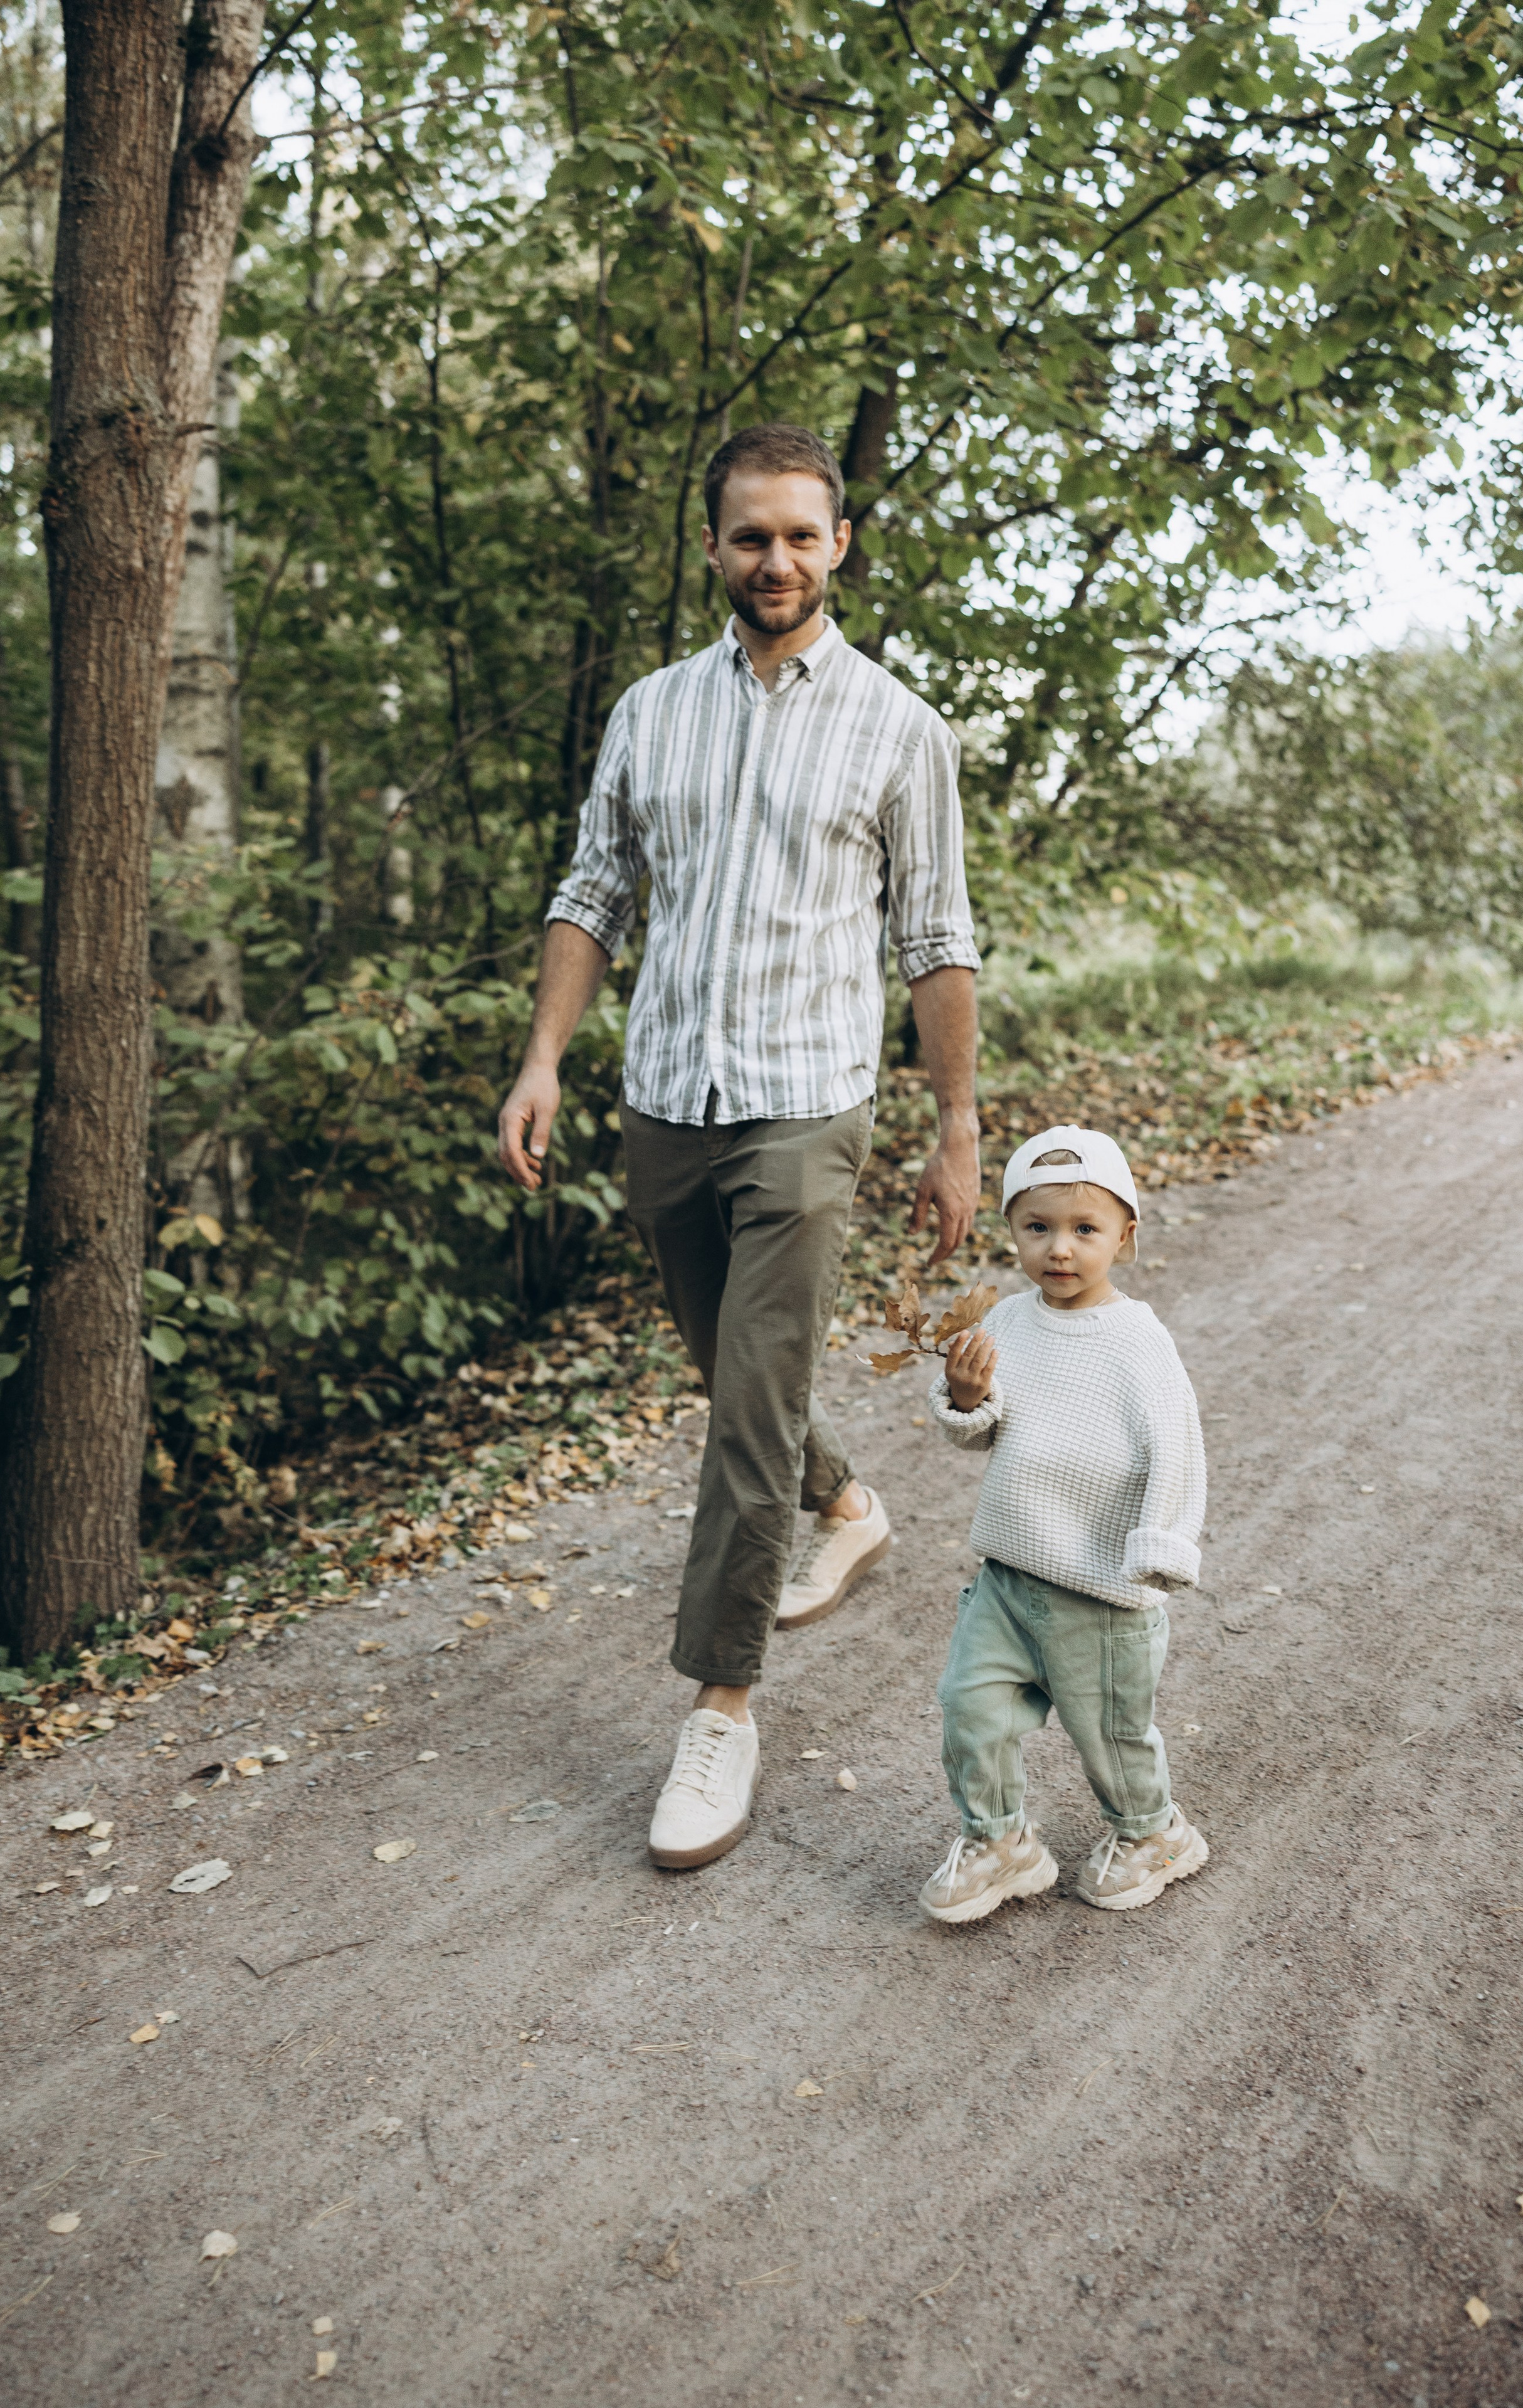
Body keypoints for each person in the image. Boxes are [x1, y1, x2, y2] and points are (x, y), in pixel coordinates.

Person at [497, 422, 982, 1869]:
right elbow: (592, 891)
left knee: (749, 1396)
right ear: (710, 549)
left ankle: (718, 1706)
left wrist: (954, 1126)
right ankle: (846, 1499)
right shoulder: (650, 713)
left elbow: (935, 936)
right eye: (747, 536)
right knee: (730, 1368)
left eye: (798, 534)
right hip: (665, 1098)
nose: (773, 559)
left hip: (809, 1100)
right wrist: (540, 1058)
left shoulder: (899, 727)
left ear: (838, 546)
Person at [919, 1126, 1209, 1923]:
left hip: (1101, 1593)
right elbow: (978, 1431)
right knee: (968, 1707)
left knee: (1110, 1736)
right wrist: (968, 1397)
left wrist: (1157, 1550)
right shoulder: (1007, 1324)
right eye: (1037, 1227)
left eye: (1086, 1230)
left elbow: (1177, 1448)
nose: (1060, 1249)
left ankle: (1153, 1833)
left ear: (1126, 1235)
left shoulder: (1139, 1342)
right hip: (1010, 1577)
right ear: (1011, 1228)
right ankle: (998, 1839)